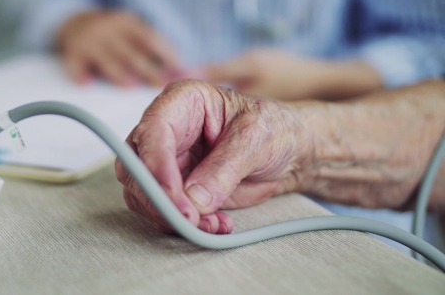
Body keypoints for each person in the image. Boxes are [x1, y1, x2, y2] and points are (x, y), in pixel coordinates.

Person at [20, 0, 445, 101]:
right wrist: (76, 20)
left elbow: (433, 40)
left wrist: (329, 80)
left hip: (326, 150)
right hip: (120, 111)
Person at [114, 79, 445, 234]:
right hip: (202, 139)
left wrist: (300, 132)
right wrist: (77, 18)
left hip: (362, 219)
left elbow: (429, 45)